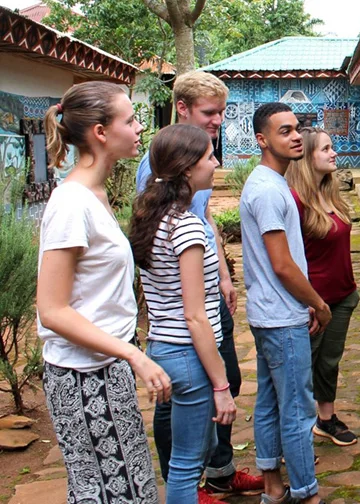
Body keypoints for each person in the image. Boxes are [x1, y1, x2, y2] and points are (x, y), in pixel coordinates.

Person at [36, 81, 169, 503]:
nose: (138, 128)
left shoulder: (96, 195)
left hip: (104, 366)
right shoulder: (71, 204)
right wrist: (132, 353)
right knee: (113, 492)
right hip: (83, 375)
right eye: (129, 121)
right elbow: (52, 309)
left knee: (128, 488)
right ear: (100, 132)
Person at [135, 70, 262, 499]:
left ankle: (217, 470)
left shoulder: (184, 200)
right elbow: (185, 300)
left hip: (195, 310)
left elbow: (202, 220)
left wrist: (223, 275)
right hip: (187, 330)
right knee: (186, 408)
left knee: (223, 381)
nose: (218, 122)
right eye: (210, 113)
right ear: (183, 108)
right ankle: (185, 485)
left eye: (222, 113)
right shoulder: (161, 170)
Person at [129, 124, 237, 503]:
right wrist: (221, 386)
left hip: (164, 345)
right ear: (188, 168)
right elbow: (195, 317)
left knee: (191, 454)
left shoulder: (151, 218)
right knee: (186, 466)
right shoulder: (186, 226)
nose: (216, 163)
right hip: (189, 354)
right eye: (209, 156)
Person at [240, 102, 332, 504]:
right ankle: (306, 494)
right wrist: (318, 303)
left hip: (269, 314)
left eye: (297, 129)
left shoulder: (273, 184)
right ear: (262, 140)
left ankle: (273, 487)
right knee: (297, 410)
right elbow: (281, 264)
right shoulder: (265, 191)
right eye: (284, 131)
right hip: (281, 317)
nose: (295, 136)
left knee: (269, 403)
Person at [286, 127, 359, 447]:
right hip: (313, 302)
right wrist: (308, 302)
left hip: (342, 296)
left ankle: (326, 419)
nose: (333, 153)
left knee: (330, 361)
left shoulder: (331, 193)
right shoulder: (294, 201)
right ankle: (290, 435)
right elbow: (285, 258)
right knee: (300, 369)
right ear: (307, 157)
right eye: (326, 149)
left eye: (333, 147)